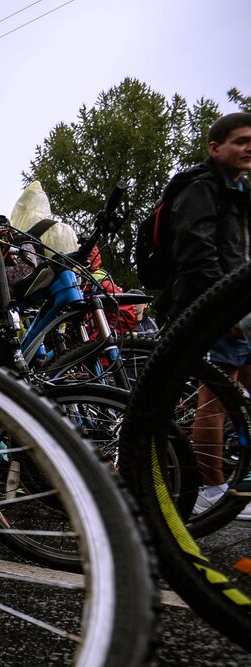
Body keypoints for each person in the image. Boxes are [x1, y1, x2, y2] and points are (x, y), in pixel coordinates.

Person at [163, 112, 251, 515]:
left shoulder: (238, 189)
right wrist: (225, 306)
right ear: (215, 148)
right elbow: (197, 253)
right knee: (216, 398)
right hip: (216, 306)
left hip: (240, 305)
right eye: (240, 140)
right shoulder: (201, 187)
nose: (248, 147)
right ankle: (210, 489)